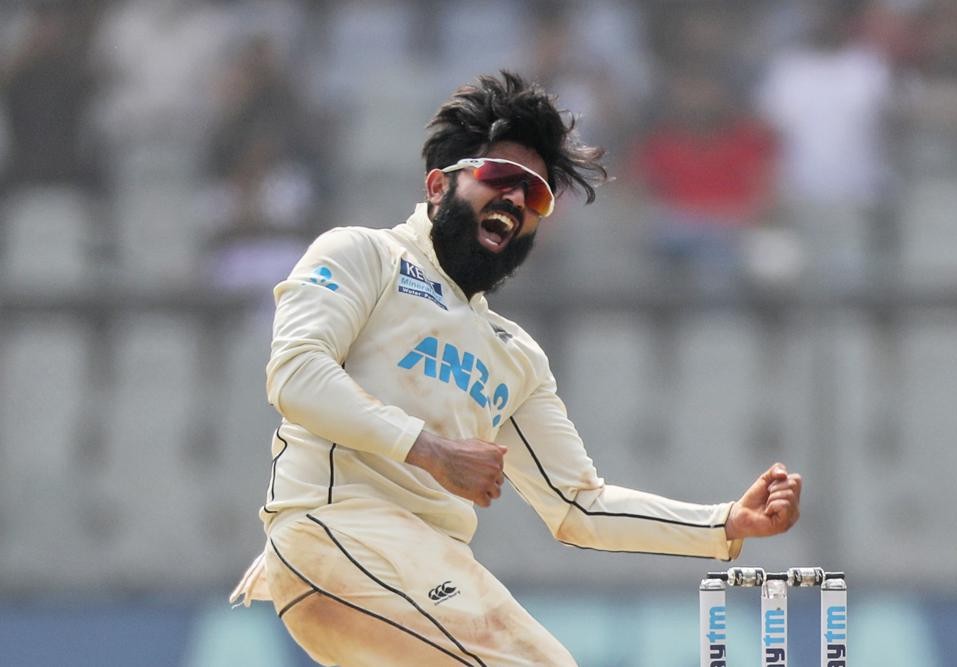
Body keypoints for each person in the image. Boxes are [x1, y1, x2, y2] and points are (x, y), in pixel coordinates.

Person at [230, 71, 803, 667]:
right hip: (337, 533)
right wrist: (429, 449)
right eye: (499, 177)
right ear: (437, 185)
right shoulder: (363, 255)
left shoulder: (514, 354)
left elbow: (579, 506)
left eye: (537, 196)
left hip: (433, 564)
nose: (516, 200)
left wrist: (725, 522)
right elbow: (296, 377)